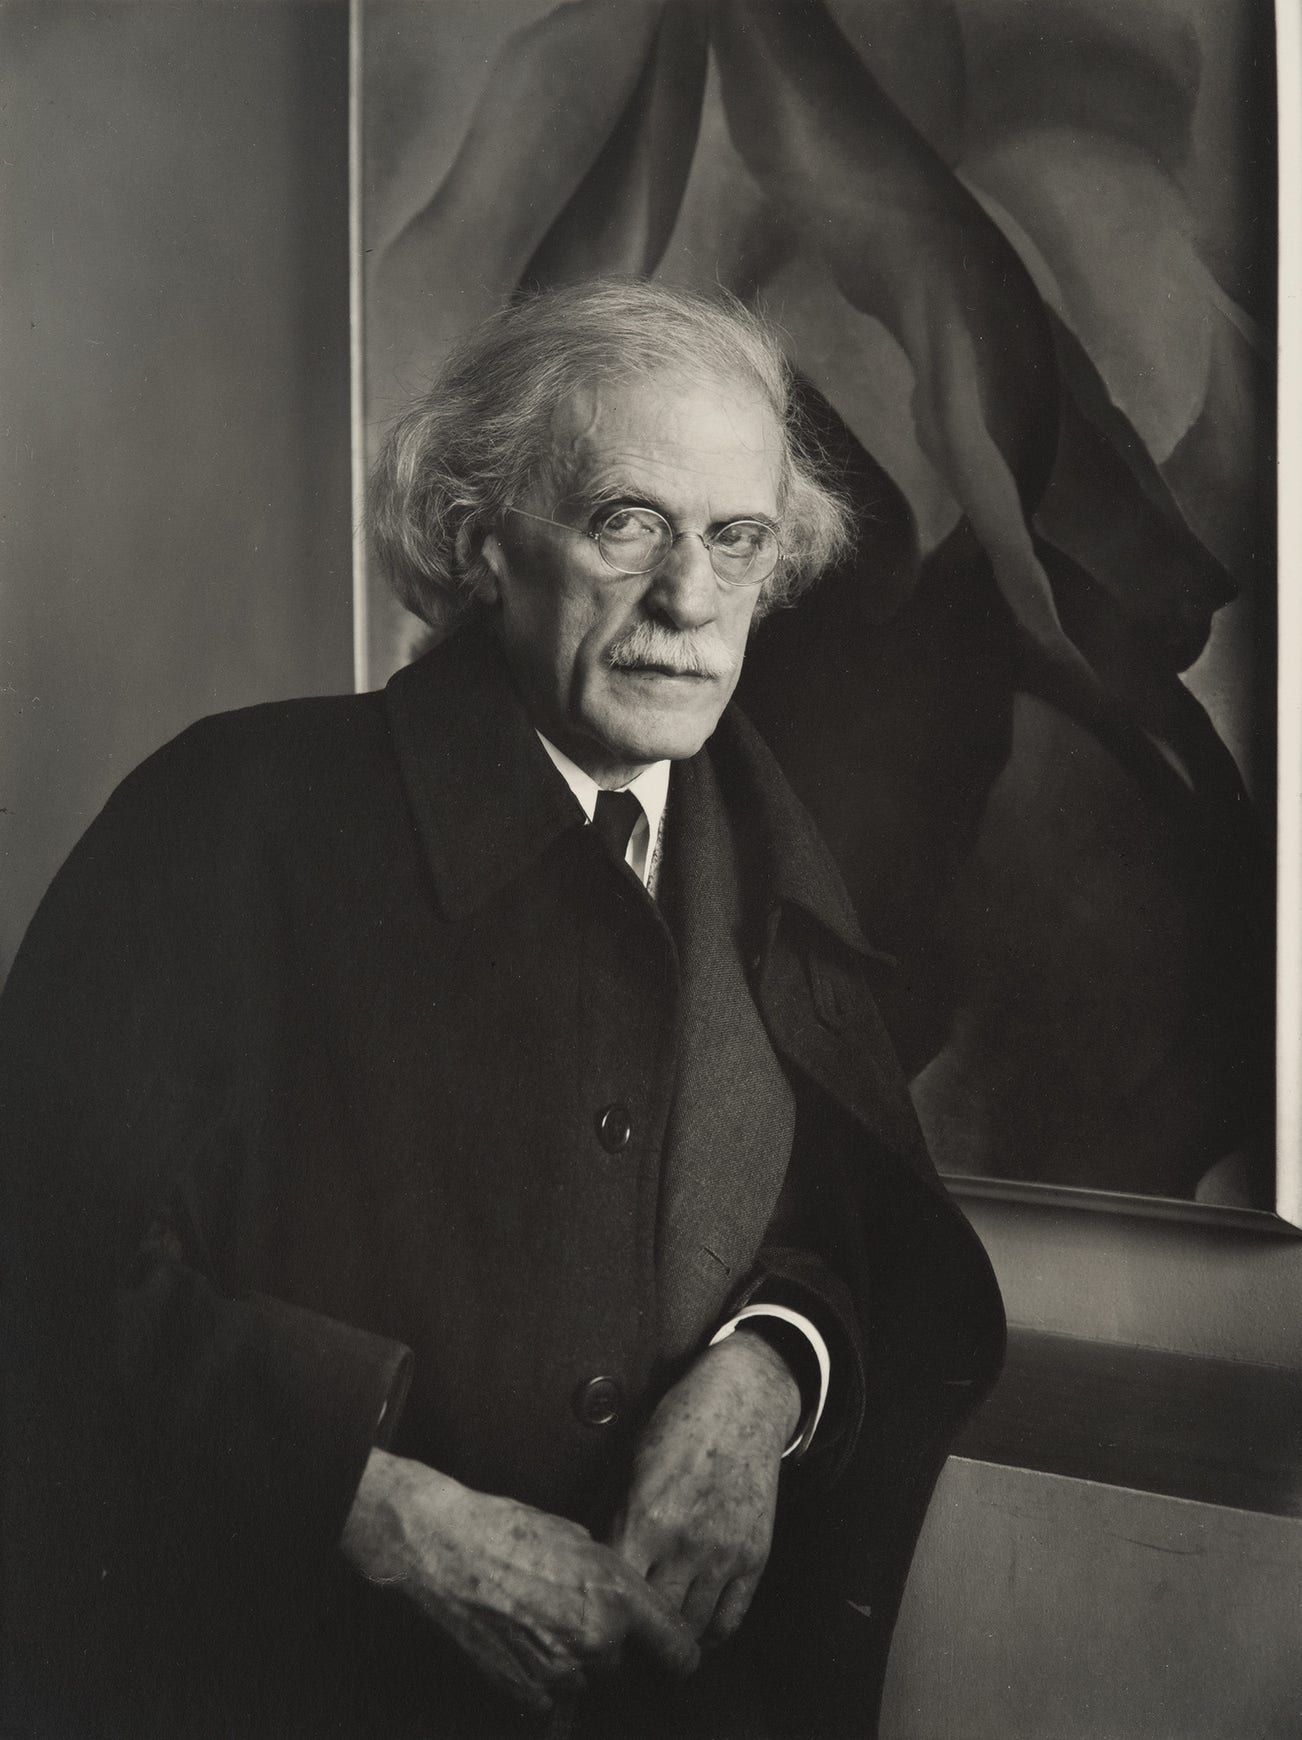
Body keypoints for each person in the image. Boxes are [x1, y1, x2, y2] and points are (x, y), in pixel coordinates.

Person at [0, 278, 1004, 1740]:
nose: (690, 601)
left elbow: (842, 1229)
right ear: (480, 537)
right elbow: (37, 1267)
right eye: (626, 523)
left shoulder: (770, 855)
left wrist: (768, 1372)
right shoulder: (233, 816)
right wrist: (378, 1512)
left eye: (736, 539)